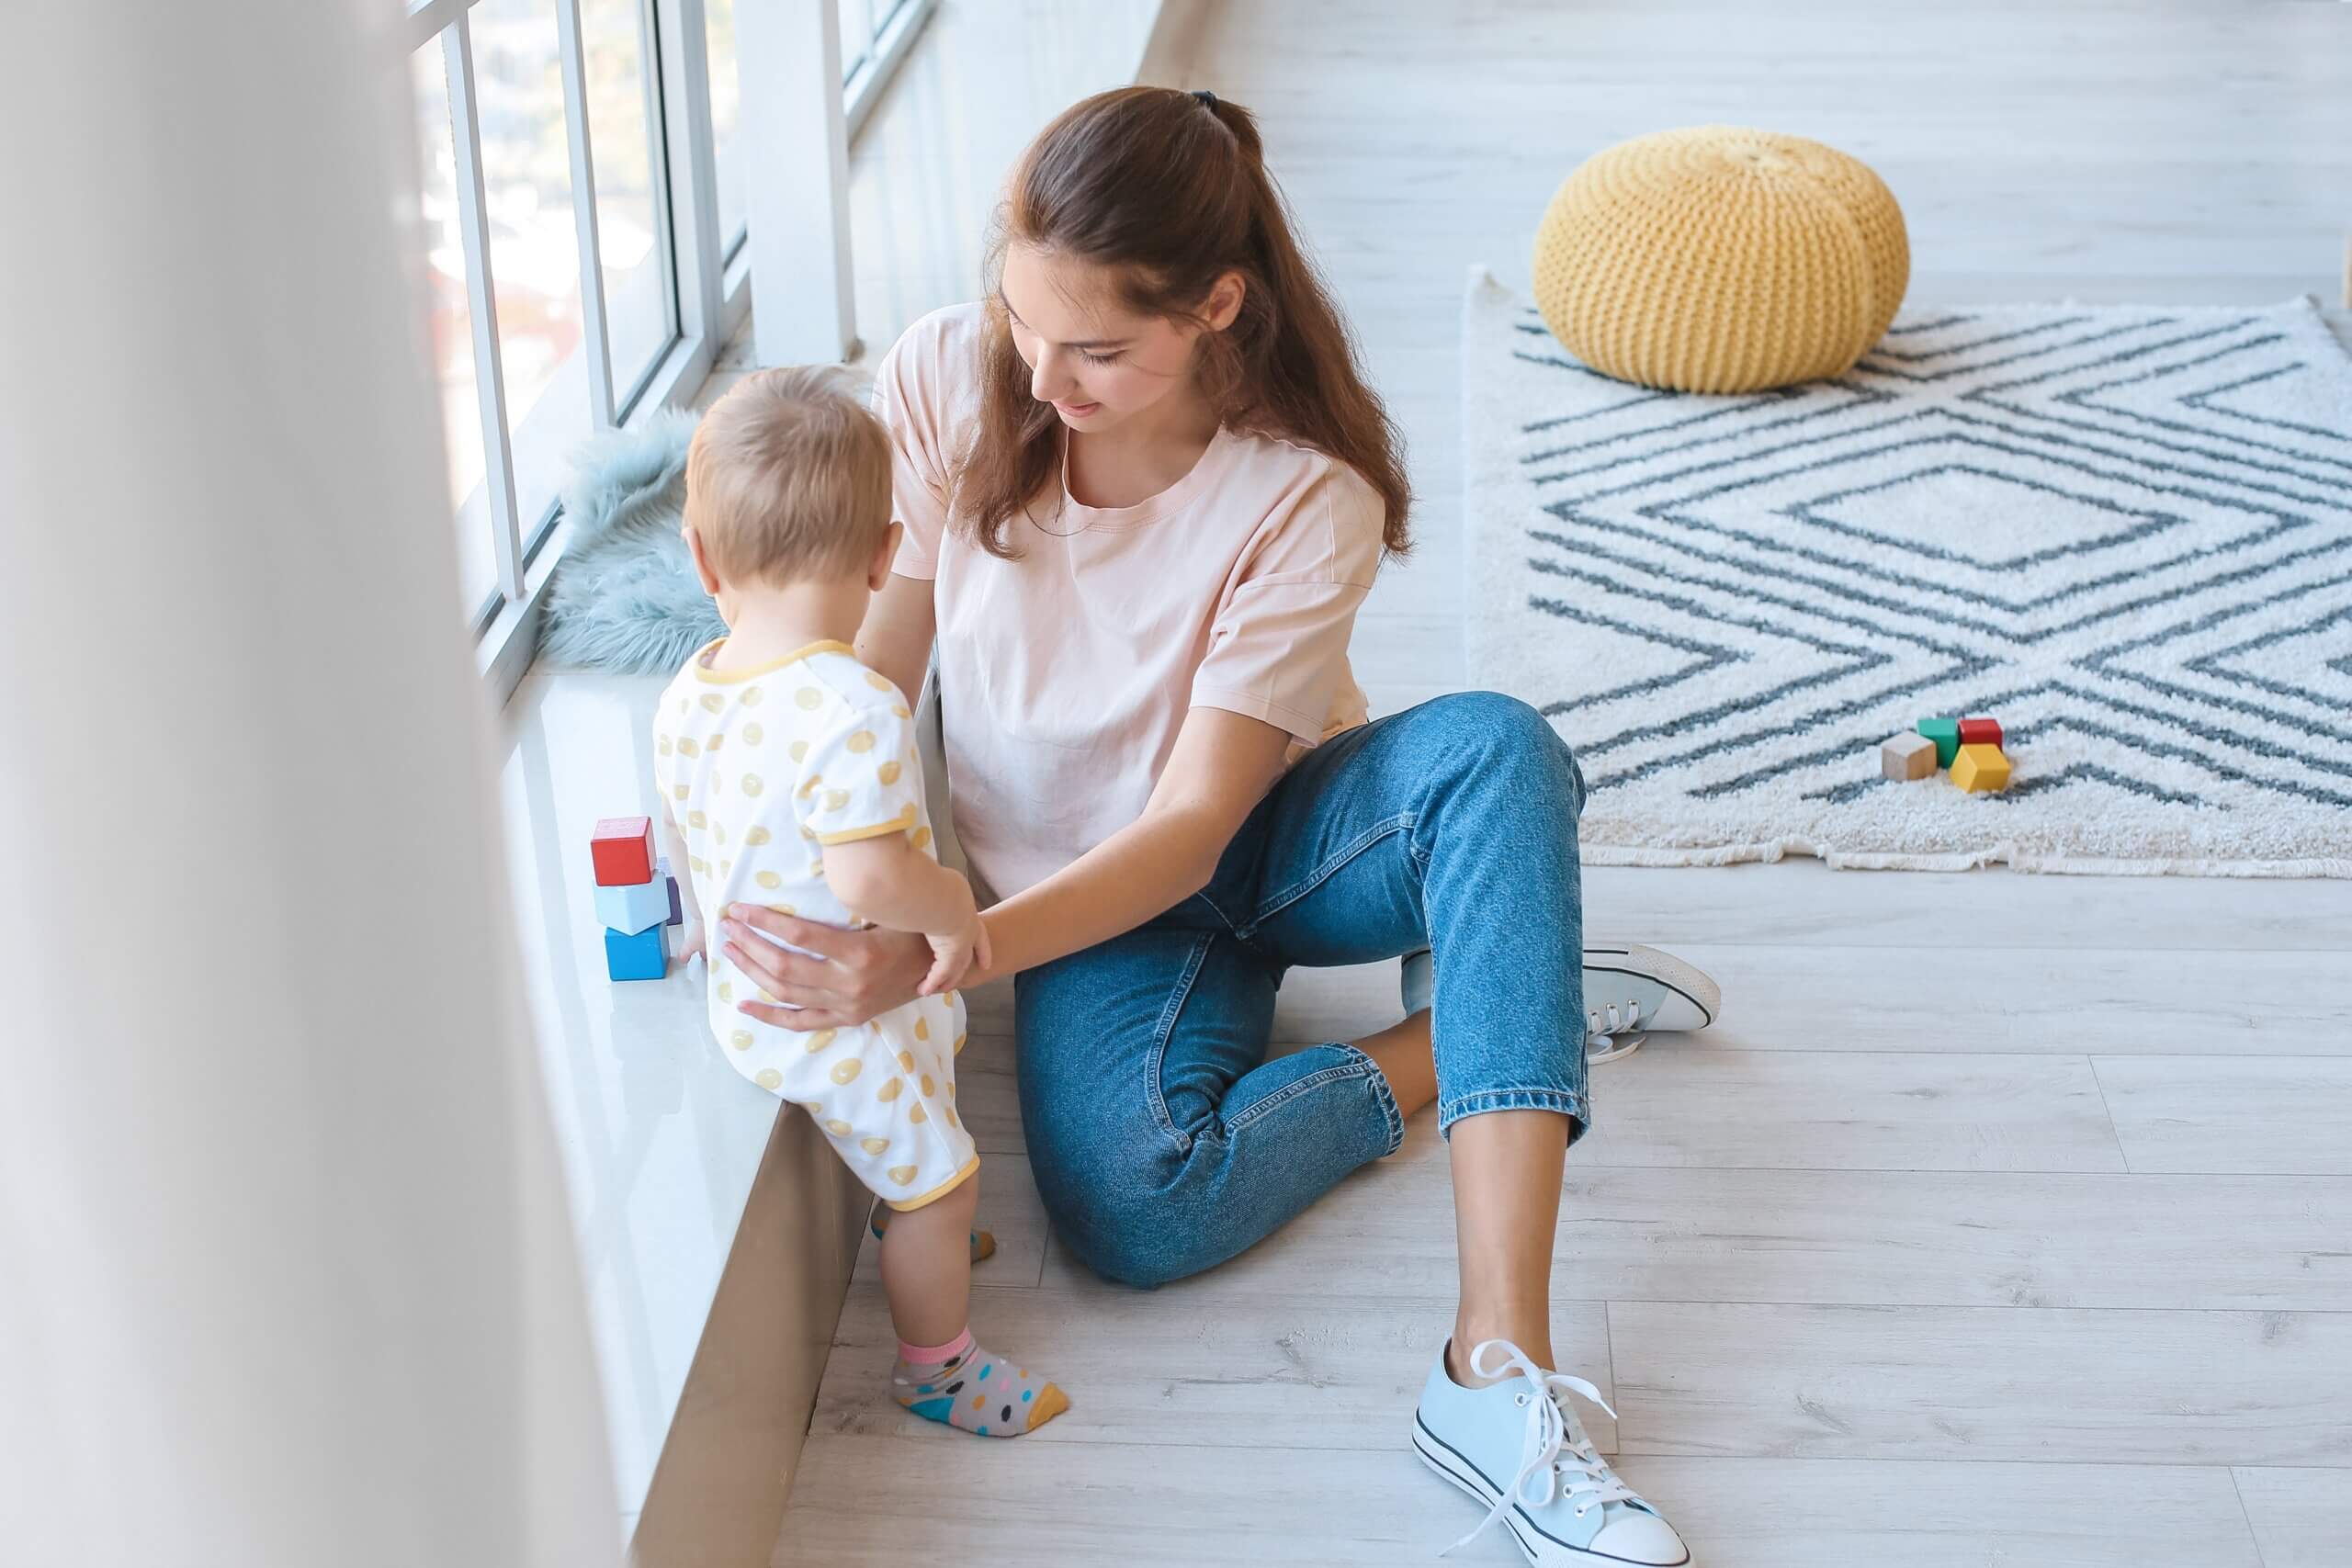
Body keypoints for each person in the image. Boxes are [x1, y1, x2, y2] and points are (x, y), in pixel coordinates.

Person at [714, 88, 1714, 1562]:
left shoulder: (1307, 491)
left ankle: (1491, 1373)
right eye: (1024, 319)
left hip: (1264, 837)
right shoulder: (944, 375)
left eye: (1099, 349)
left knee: (1497, 752)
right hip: (1086, 901)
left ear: (1215, 308)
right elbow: (884, 674)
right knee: (1135, 1209)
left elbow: (1196, 828)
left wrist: (954, 954)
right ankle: (1513, 995)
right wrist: (820, 874)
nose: (1046, 377)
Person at [651, 367, 1067, 1438]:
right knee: (944, 1182)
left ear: (700, 558)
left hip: (756, 996)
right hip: (829, 1022)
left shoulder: (694, 685)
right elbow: (868, 878)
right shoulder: (853, 704)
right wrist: (952, 908)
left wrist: (704, 923)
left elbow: (686, 821)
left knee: (924, 1078)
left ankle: (909, 1227)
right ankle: (937, 1366)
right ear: (888, 556)